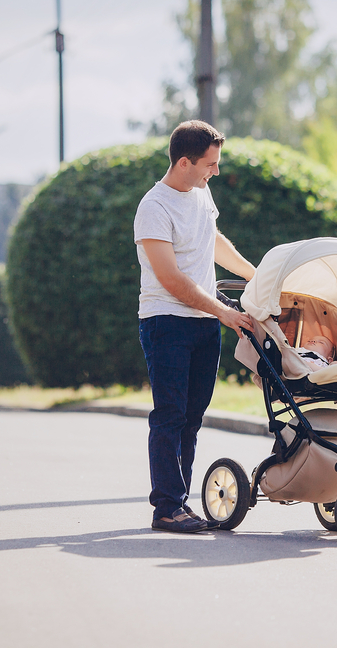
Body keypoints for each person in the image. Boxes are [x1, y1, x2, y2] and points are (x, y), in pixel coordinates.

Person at [134, 120, 256, 533]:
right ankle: (166, 507)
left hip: (203, 321)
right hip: (166, 321)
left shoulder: (201, 192)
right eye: (210, 164)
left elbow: (214, 240)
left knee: (192, 416)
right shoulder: (153, 208)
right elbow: (171, 280)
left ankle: (180, 502)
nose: (215, 172)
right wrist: (223, 311)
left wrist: (255, 276)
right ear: (184, 162)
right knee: (169, 414)